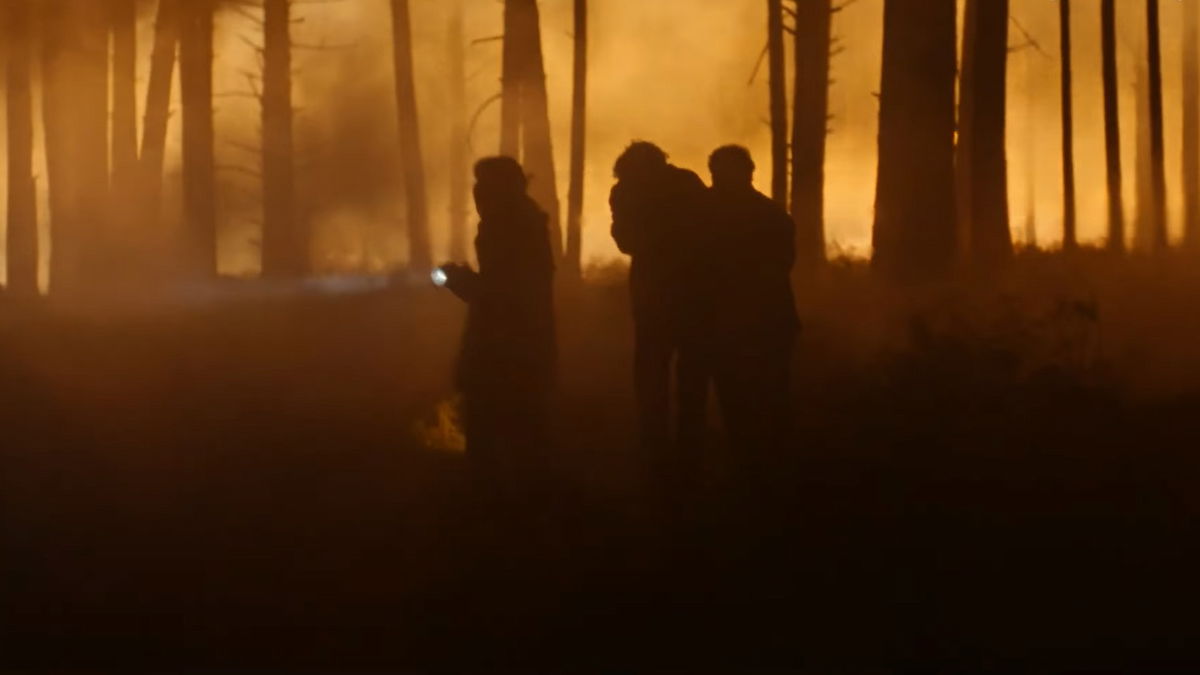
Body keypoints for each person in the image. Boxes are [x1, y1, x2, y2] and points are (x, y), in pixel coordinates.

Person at [440, 157, 556, 484]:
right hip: (523, 335)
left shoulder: (506, 226)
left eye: (483, 189)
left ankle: (494, 491)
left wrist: (457, 280)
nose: (478, 197)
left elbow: (501, 289)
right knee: (525, 414)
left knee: (494, 411)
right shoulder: (523, 220)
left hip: (504, 338)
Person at [609, 141, 711, 481]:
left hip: (653, 290)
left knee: (652, 367)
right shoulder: (687, 183)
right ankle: (691, 443)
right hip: (693, 288)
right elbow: (708, 230)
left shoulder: (625, 192)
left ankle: (654, 443)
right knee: (692, 367)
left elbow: (625, 241)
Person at [704, 145, 798, 474]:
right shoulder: (773, 215)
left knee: (746, 397)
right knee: (763, 396)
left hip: (741, 322)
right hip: (764, 321)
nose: (718, 180)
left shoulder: (704, 217)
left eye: (721, 174)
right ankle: (766, 465)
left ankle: (754, 463)